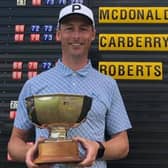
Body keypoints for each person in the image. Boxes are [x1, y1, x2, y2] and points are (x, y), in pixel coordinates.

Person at [8, 3, 132, 168]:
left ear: (92, 34)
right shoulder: (34, 84)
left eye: (83, 29)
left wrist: (98, 149)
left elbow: (122, 145)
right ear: (59, 34)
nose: (76, 36)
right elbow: (15, 142)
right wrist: (32, 154)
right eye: (69, 28)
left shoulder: (108, 84)